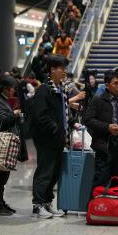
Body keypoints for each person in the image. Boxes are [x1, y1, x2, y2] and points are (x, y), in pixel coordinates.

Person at [31, 56, 69, 218]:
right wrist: (54, 128)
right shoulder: (44, 90)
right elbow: (40, 116)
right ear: (52, 70)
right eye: (61, 68)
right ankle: (37, 205)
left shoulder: (59, 89)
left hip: (58, 138)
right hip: (47, 139)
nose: (64, 72)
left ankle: (47, 202)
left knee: (54, 172)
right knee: (45, 171)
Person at [84, 70, 118, 188]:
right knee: (101, 179)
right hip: (104, 145)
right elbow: (88, 120)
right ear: (107, 85)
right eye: (115, 83)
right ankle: (96, 205)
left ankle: (113, 205)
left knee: (117, 179)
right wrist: (107, 127)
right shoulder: (98, 100)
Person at [0, 76, 22, 216]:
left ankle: (0, 202)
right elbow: (1, 119)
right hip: (0, 143)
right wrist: (14, 114)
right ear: (5, 88)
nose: (14, 90)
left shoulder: (2, 100)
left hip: (5, 143)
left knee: (3, 175)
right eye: (12, 88)